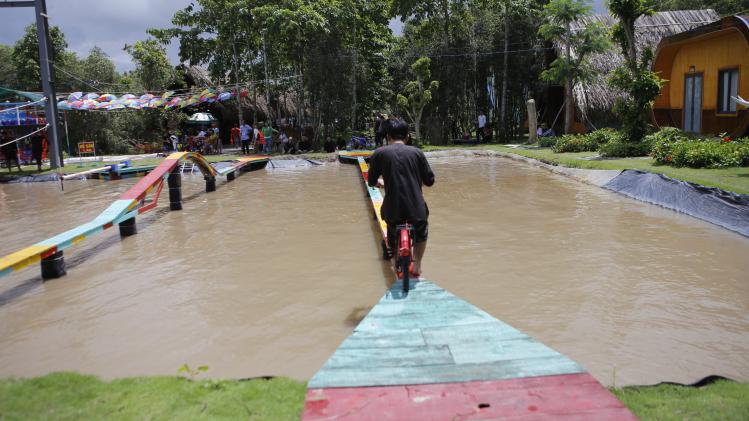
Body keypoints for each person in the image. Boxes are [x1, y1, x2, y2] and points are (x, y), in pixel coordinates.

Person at [367, 117, 435, 277]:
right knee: (422, 231)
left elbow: (371, 181)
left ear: (387, 136)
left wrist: (381, 183)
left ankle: (395, 262)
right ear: (407, 136)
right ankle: (417, 266)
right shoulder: (417, 153)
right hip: (416, 209)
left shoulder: (379, 153)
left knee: (391, 231)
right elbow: (430, 181)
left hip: (392, 209)